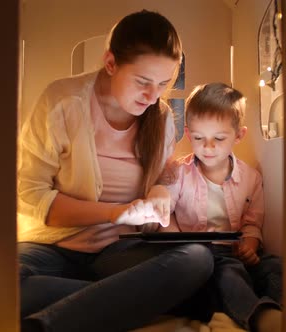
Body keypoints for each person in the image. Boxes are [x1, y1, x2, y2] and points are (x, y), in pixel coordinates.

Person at [17, 10, 214, 332]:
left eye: (164, 84)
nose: (153, 97)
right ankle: (126, 300)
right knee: (1, 280)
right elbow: (29, 194)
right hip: (51, 248)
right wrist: (115, 213)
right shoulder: (62, 102)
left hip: (119, 253)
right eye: (142, 82)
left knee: (198, 259)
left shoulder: (161, 118)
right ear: (110, 63)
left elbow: (164, 173)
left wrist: (161, 191)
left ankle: (53, 321)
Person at [161, 83, 283, 332]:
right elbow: (165, 213)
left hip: (237, 251)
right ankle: (259, 317)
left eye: (218, 138)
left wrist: (250, 245)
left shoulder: (250, 178)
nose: (208, 147)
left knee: (275, 266)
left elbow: (252, 222)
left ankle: (277, 308)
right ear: (187, 133)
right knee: (229, 274)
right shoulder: (178, 174)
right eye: (198, 138)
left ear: (239, 135)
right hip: (202, 256)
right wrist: (177, 242)